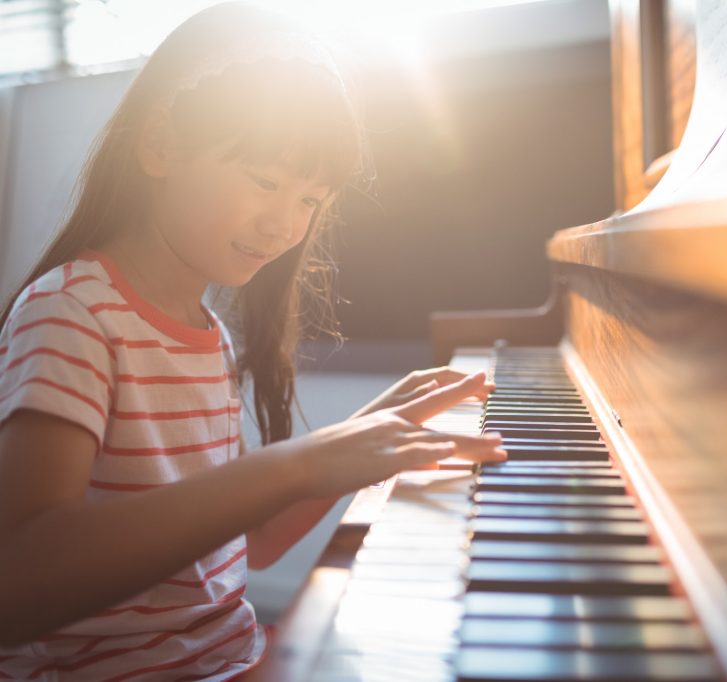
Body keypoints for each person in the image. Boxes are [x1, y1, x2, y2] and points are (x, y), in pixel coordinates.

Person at [0, 2, 505, 679]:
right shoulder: (72, 314)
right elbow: (22, 581)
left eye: (309, 200)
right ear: (160, 146)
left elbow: (253, 542)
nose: (284, 226)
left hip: (231, 658)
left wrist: (366, 432)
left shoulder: (209, 336)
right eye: (265, 181)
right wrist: (295, 464)